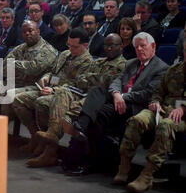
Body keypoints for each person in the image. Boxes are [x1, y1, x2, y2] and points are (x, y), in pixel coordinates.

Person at [62, 32, 169, 174]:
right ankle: (82, 127)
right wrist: (116, 94)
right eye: (136, 47)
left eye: (143, 46)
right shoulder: (131, 63)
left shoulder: (161, 68)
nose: (139, 50)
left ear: (153, 46)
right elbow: (116, 82)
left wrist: (122, 96)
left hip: (134, 106)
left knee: (97, 115)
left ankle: (84, 156)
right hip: (118, 100)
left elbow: (147, 94)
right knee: (96, 91)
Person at [33, 34, 125, 169]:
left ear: (121, 46)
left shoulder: (123, 65)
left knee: (72, 107)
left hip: (101, 99)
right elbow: (81, 80)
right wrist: (93, 79)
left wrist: (92, 79)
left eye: (113, 45)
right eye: (106, 45)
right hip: (83, 92)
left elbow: (106, 84)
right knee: (62, 91)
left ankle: (50, 151)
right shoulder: (99, 61)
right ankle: (52, 137)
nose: (109, 48)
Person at [114, 38, 185, 193]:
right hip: (163, 109)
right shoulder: (174, 70)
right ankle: (124, 166)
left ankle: (147, 175)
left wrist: (183, 108)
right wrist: (156, 102)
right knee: (137, 120)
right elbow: (158, 92)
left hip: (182, 116)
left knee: (166, 125)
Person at [16, 28, 93, 167]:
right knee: (19, 99)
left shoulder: (88, 62)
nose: (70, 49)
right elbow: (53, 72)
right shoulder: (64, 54)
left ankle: (49, 148)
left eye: (74, 46)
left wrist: (54, 89)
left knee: (42, 102)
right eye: (68, 45)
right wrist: (46, 78)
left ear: (85, 45)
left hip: (68, 96)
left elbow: (78, 87)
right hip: (49, 89)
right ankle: (36, 136)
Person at [0, 20, 57, 116]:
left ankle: (3, 124)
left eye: (30, 31)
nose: (27, 34)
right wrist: (21, 67)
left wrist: (14, 64)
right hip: (12, 82)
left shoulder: (47, 50)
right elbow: (3, 68)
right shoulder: (20, 48)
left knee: (9, 94)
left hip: (33, 86)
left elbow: (33, 69)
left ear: (38, 31)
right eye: (24, 32)